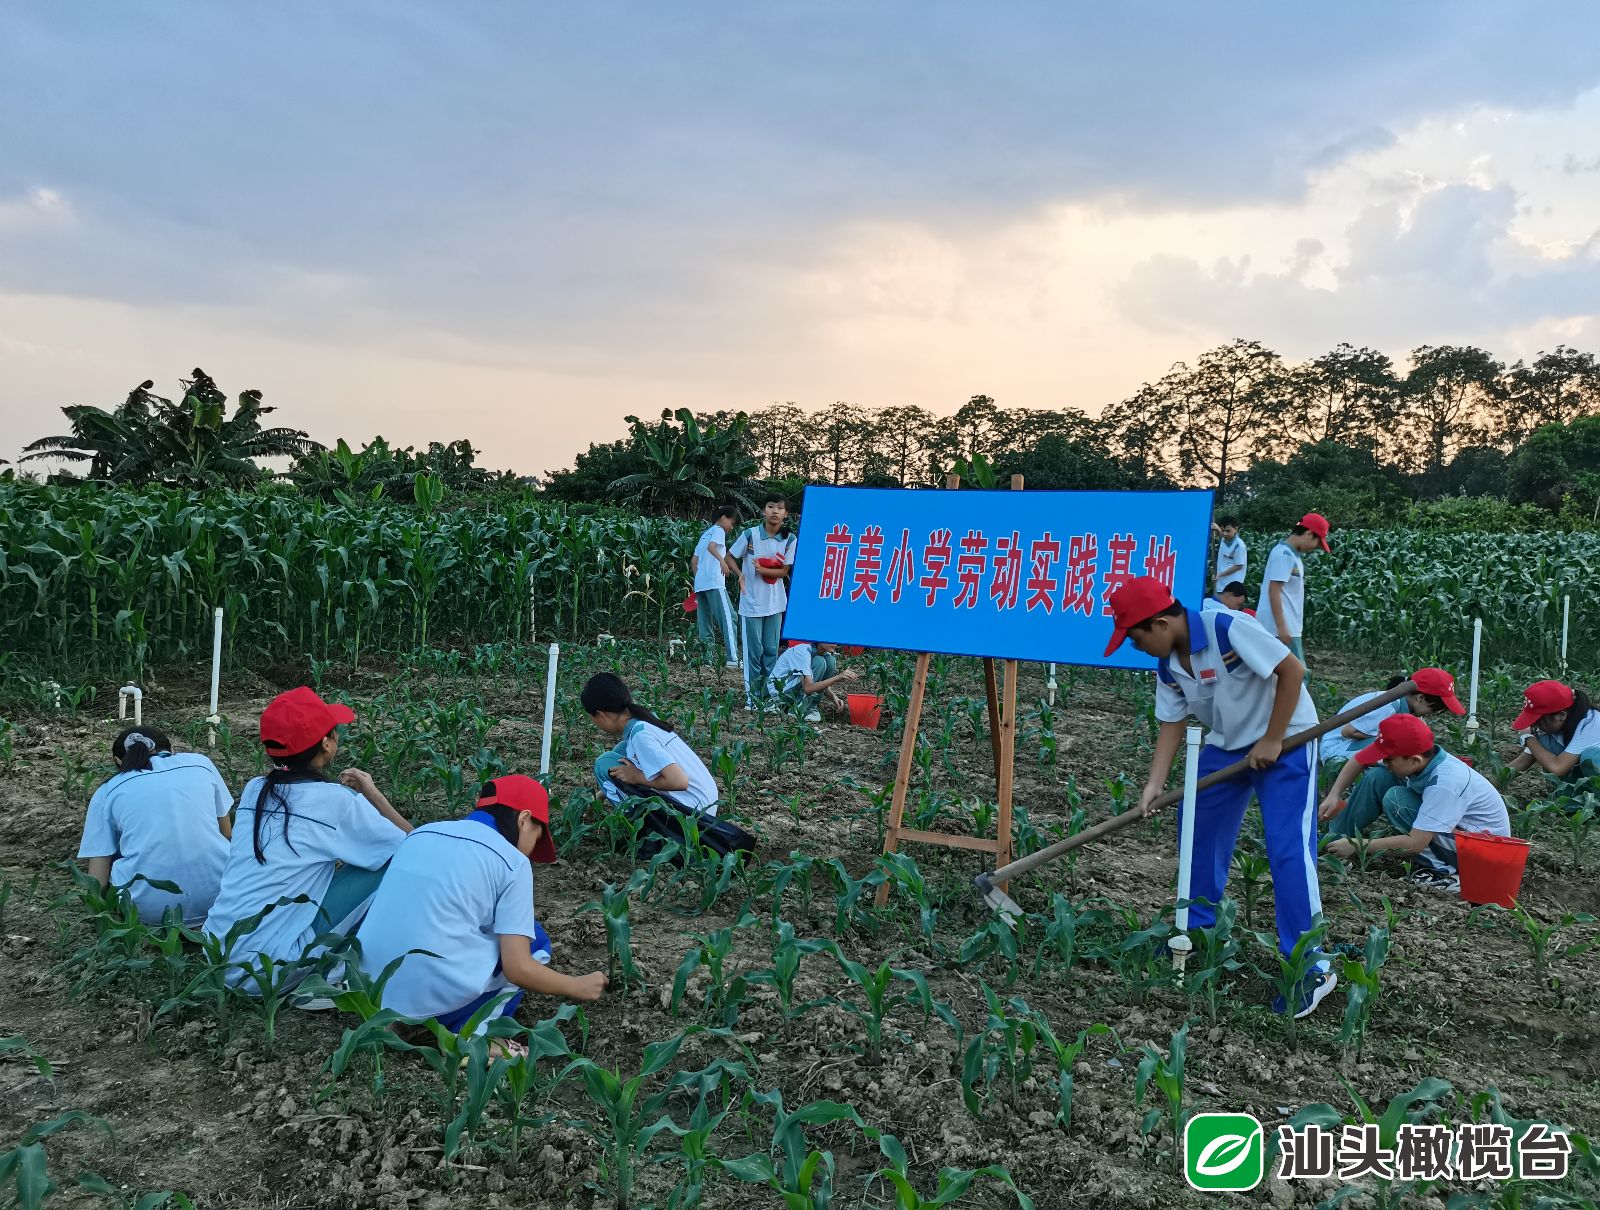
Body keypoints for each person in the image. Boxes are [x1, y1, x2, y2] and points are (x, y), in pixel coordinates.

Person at [1106, 575, 1334, 1019]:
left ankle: (1312, 964)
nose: (1136, 648)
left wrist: (1271, 739)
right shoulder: (1169, 664)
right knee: (1197, 829)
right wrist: (1155, 782)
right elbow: (1172, 722)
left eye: (1134, 639)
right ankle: (1198, 932)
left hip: (1287, 740)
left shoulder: (1225, 627)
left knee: (1287, 849)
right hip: (1227, 746)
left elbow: (1292, 671)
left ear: (1159, 623)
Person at [356, 776, 607, 1046]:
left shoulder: (421, 834)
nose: (532, 852)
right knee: (534, 940)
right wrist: (576, 986)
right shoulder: (512, 862)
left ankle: (396, 1021)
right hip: (429, 989)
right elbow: (518, 968)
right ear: (524, 819)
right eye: (537, 835)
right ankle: (474, 1039)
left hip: (368, 989)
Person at [204, 687, 413, 981]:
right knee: (394, 862)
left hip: (217, 952)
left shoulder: (255, 789)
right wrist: (374, 796)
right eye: (334, 730)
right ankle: (331, 974)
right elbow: (415, 847)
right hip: (270, 968)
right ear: (327, 744)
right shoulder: (336, 802)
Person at [1322, 714, 1510, 892]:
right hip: (1458, 835)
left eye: (1389, 759)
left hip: (1484, 854)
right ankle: (1332, 841)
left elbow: (1415, 843)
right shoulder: (1413, 758)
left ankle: (1442, 873)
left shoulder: (1445, 783)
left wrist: (1358, 845)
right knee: (1379, 777)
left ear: (1415, 760)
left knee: (1397, 799)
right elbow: (1359, 759)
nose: (1384, 761)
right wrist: (1334, 795)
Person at [76, 727, 234, 925]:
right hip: (222, 899)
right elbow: (226, 833)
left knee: (114, 846)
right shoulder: (201, 764)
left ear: (118, 761)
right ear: (172, 750)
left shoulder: (107, 790)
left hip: (146, 913)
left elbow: (97, 882)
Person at [582, 673, 720, 816]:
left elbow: (679, 781)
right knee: (620, 752)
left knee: (603, 764)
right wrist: (599, 796)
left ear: (601, 715)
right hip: (705, 804)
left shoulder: (640, 736)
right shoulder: (643, 721)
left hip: (693, 815)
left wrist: (637, 777)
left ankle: (641, 827)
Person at [728, 493, 796, 710]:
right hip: (751, 604)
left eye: (780, 508)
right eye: (770, 507)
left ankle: (769, 698)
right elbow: (730, 557)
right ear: (763, 511)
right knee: (753, 653)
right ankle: (752, 698)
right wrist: (739, 573)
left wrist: (763, 569)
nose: (775, 511)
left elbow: (784, 571)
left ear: (786, 514)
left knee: (770, 652)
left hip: (775, 604)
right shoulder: (750, 535)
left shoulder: (790, 539)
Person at [1319, 668, 1465, 765]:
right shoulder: (1388, 705)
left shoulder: (1409, 709)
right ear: (1420, 698)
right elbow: (1347, 731)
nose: (1432, 714)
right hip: (1335, 751)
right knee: (1395, 749)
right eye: (1433, 709)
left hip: (1349, 748)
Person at [1501, 679, 1600, 786]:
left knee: (1590, 757)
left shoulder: (1592, 723)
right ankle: (1570, 797)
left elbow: (1558, 767)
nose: (1535, 725)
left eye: (1539, 721)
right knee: (1544, 745)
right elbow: (1522, 762)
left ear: (1562, 715)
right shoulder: (1553, 728)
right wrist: (1487, 786)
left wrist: (1528, 738)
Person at [1263, 513, 1330, 665]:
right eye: (1317, 543)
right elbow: (1274, 590)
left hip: (1288, 626)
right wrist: (1282, 628)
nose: (1315, 548)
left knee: (1288, 677)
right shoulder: (1284, 554)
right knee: (1297, 676)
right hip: (1281, 628)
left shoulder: (1292, 555)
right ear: (1308, 534)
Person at [690, 505, 741, 669]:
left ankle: (707, 660)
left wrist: (700, 578)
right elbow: (713, 547)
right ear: (724, 517)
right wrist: (722, 561)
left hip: (701, 584)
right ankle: (733, 659)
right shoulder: (718, 530)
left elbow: (694, 562)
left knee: (705, 623)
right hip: (714, 581)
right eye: (732, 523)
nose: (731, 527)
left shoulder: (705, 534)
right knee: (729, 618)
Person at [768, 639, 859, 722]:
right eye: (830, 639)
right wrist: (838, 677)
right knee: (819, 662)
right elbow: (807, 688)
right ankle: (800, 707)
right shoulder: (803, 652)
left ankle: (810, 706)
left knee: (831, 661)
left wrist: (833, 697)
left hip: (792, 689)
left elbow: (816, 680)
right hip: (778, 695)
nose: (835, 643)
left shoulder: (824, 655)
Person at [1212, 517, 1247, 592]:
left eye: (1228, 531)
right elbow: (1222, 535)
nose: (1225, 533)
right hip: (1221, 582)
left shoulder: (1239, 545)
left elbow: (1239, 565)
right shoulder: (1225, 539)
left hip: (1232, 585)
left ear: (1236, 529)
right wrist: (1217, 529)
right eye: (1223, 530)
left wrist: (1220, 574)